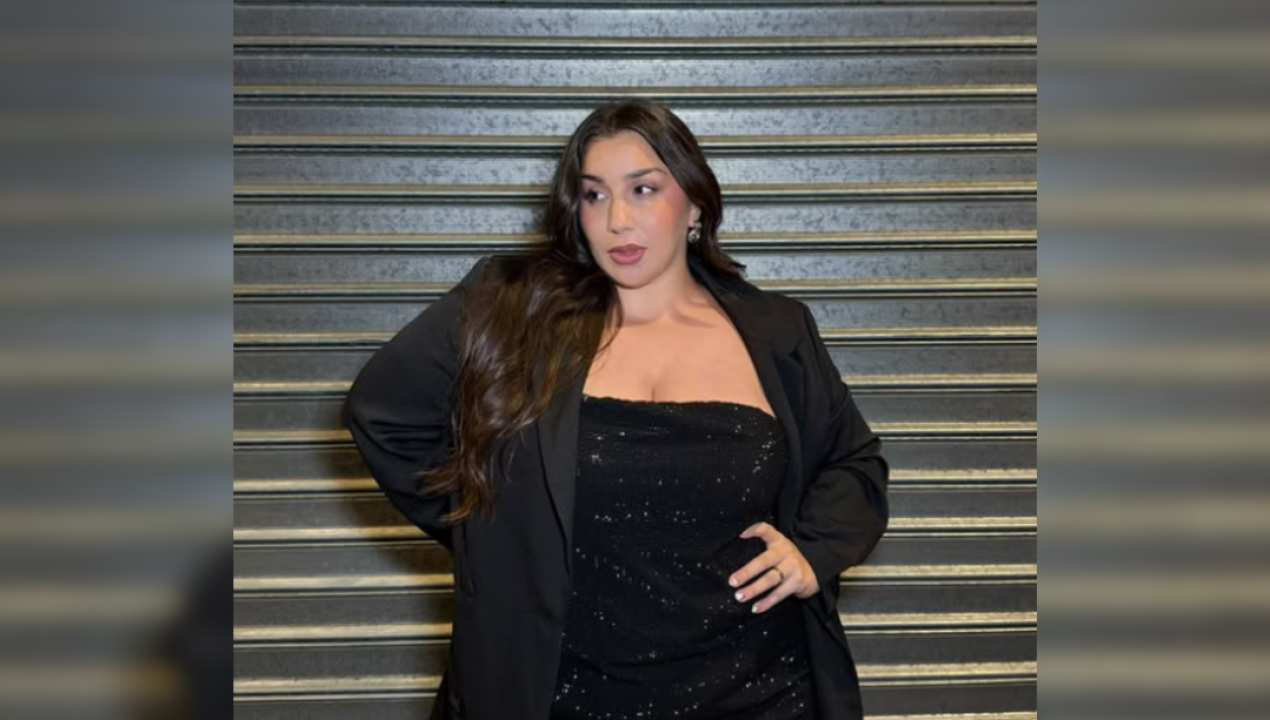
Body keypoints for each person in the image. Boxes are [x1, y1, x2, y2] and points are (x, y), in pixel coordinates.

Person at [343, 98, 889, 720]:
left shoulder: (778, 329)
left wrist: (813, 552)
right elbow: (384, 414)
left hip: (762, 693)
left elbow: (853, 461)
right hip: (564, 698)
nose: (617, 220)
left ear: (695, 203)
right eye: (594, 195)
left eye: (643, 189)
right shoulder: (513, 309)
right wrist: (494, 534)